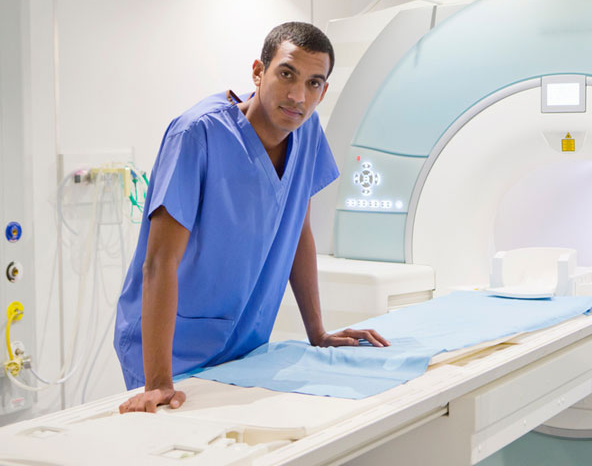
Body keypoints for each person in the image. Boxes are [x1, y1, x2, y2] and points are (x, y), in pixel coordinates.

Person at [114, 22, 388, 413]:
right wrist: (158, 382)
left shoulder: (307, 133)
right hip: (170, 349)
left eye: (313, 83)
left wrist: (318, 333)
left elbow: (298, 232)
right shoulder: (197, 134)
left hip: (243, 344)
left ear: (324, 92)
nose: (297, 95)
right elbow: (160, 262)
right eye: (286, 74)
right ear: (259, 71)